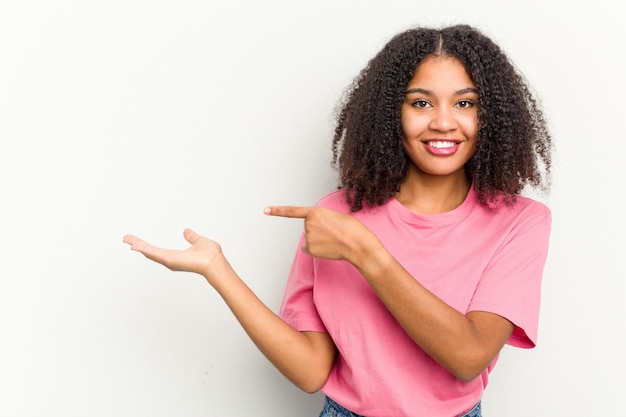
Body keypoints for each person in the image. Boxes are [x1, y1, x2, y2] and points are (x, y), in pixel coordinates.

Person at [123, 24, 552, 417]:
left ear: (489, 116)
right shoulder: (335, 216)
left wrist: (366, 252)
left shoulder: (520, 223)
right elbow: (311, 371)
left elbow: (467, 356)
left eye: (464, 103)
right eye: (420, 102)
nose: (443, 121)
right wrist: (218, 271)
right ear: (391, 114)